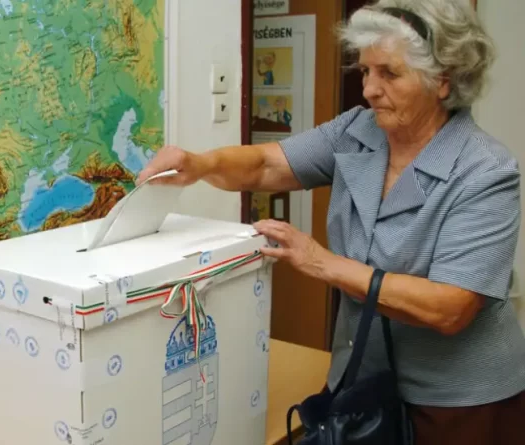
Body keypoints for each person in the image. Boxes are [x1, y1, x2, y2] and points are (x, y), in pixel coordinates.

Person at [137, 0, 525, 443]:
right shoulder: (358, 131)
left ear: (444, 80)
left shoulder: (485, 169)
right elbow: (266, 164)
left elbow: (450, 308)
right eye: (365, 71)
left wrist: (320, 262)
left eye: (389, 73)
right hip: (361, 378)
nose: (369, 90)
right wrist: (200, 164)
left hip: (457, 402)